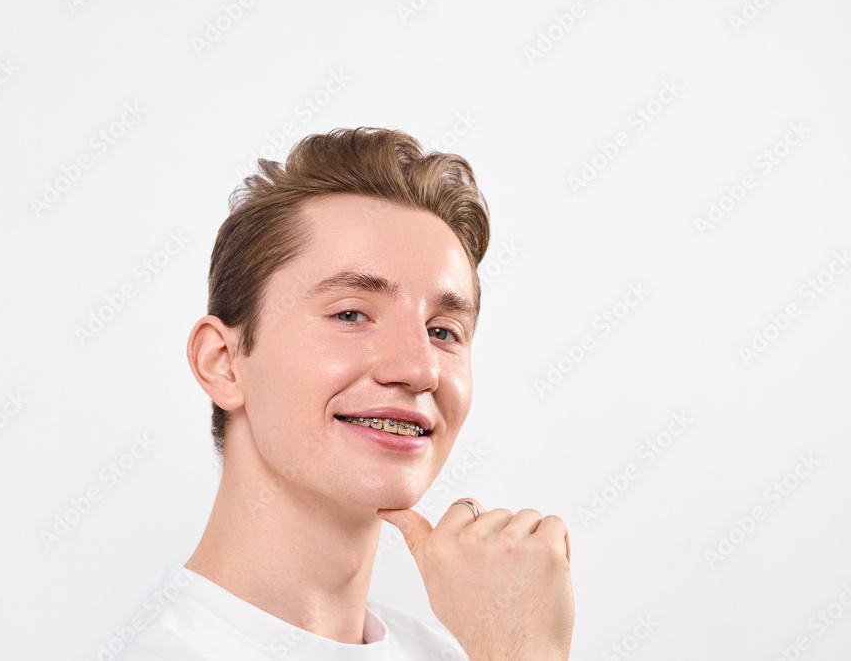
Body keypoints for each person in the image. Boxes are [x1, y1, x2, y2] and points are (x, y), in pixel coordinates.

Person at [110, 127, 574, 660]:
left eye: (443, 331)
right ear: (223, 363)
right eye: (350, 314)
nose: (420, 369)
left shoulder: (449, 650)